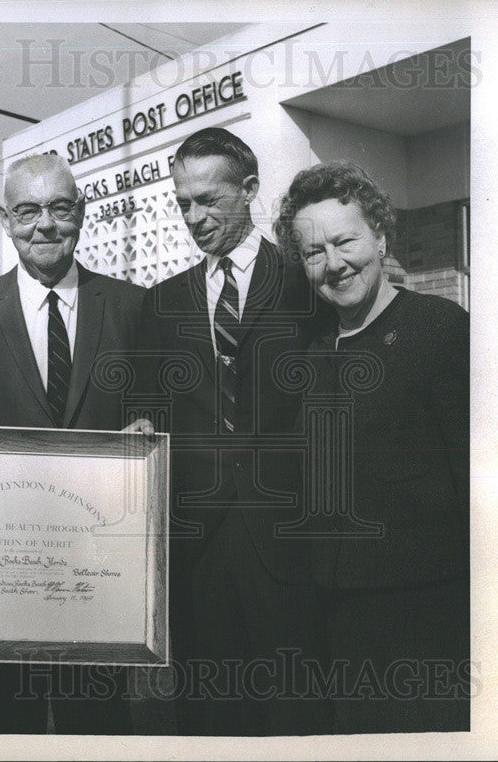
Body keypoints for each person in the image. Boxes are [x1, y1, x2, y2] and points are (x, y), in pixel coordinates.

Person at [0, 152, 144, 734]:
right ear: (5, 219)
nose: (44, 225)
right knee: (1, 725)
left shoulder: (133, 306)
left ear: (82, 212)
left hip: (99, 573)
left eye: (59, 208)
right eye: (27, 211)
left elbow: (155, 417)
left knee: (99, 726)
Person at [139, 128, 331, 735]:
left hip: (292, 541)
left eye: (208, 200)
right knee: (209, 717)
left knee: (293, 712)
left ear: (249, 190)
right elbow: (153, 411)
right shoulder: (163, 301)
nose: (194, 217)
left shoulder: (309, 283)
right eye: (183, 203)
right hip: (199, 549)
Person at [273, 160, 471, 733]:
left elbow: (476, 479)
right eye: (314, 252)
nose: (333, 264)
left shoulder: (440, 329)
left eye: (345, 241)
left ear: (380, 237)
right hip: (335, 616)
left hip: (426, 614)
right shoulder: (311, 350)